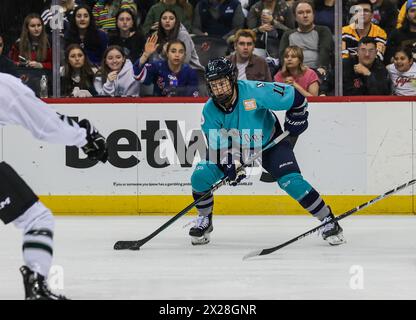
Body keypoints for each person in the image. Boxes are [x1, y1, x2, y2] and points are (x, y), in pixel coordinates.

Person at [188, 56, 345, 246]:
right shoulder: (209, 111)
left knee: (291, 181)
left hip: (270, 142)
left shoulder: (255, 91)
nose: (219, 89)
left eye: (222, 83)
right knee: (200, 176)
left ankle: (328, 219)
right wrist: (231, 163)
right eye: (214, 85)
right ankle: (205, 220)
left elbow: (295, 97)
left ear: (232, 79)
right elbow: (218, 145)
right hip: (236, 147)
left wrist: (298, 116)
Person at [0, 71, 108, 300]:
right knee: (37, 219)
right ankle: (36, 285)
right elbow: (47, 126)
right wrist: (85, 135)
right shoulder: (4, 85)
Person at [279, 1, 333, 79]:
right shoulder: (288, 34)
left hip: (317, 72)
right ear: (294, 17)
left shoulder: (323, 30)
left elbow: (325, 50)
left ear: (313, 14)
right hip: (294, 73)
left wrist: (321, 67)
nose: (305, 15)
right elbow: (282, 55)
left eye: (308, 12)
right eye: (300, 13)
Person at [134, 37, 199, 97]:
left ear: (184, 55)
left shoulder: (190, 72)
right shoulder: (157, 66)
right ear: (167, 53)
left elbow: (193, 98)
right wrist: (145, 55)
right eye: (173, 51)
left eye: (181, 52)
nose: (177, 55)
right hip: (159, 106)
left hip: (181, 107)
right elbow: (138, 76)